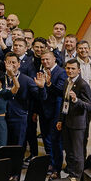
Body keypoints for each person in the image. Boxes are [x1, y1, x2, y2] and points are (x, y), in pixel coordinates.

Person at [58, 59, 91, 181]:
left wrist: (76, 100)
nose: (70, 71)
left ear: (79, 70)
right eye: (68, 68)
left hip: (78, 124)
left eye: (73, 68)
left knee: (77, 153)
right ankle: (71, 174)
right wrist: (60, 120)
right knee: (69, 151)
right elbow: (64, 102)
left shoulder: (83, 84)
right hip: (67, 121)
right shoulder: (67, 81)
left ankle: (77, 177)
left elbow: (89, 106)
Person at [37, 50, 65, 178]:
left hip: (55, 111)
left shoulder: (61, 72)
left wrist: (48, 84)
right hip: (43, 110)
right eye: (43, 59)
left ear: (54, 59)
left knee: (55, 141)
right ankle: (50, 162)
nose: (45, 61)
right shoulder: (41, 71)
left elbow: (60, 91)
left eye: (47, 59)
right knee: (46, 139)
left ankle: (56, 169)